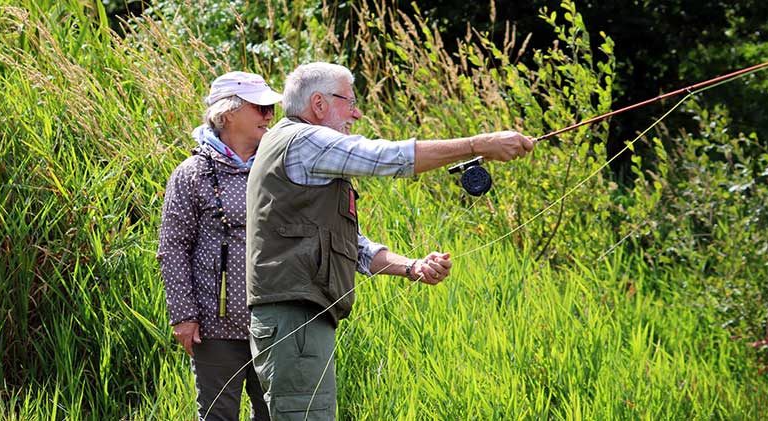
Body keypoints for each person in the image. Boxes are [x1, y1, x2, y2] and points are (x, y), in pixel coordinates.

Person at [245, 62, 534, 420]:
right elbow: (385, 157)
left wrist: (411, 267)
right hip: (294, 320)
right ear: (318, 104)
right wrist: (479, 145)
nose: (357, 112)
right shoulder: (304, 141)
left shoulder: (298, 147)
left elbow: (351, 244)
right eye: (349, 102)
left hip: (297, 319)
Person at [158, 71, 283, 420]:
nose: (269, 115)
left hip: (276, 320)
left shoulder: (280, 165)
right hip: (215, 326)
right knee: (217, 416)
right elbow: (173, 247)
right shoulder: (191, 173)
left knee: (275, 415)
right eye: (260, 107)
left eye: (270, 107)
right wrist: (184, 316)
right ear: (228, 113)